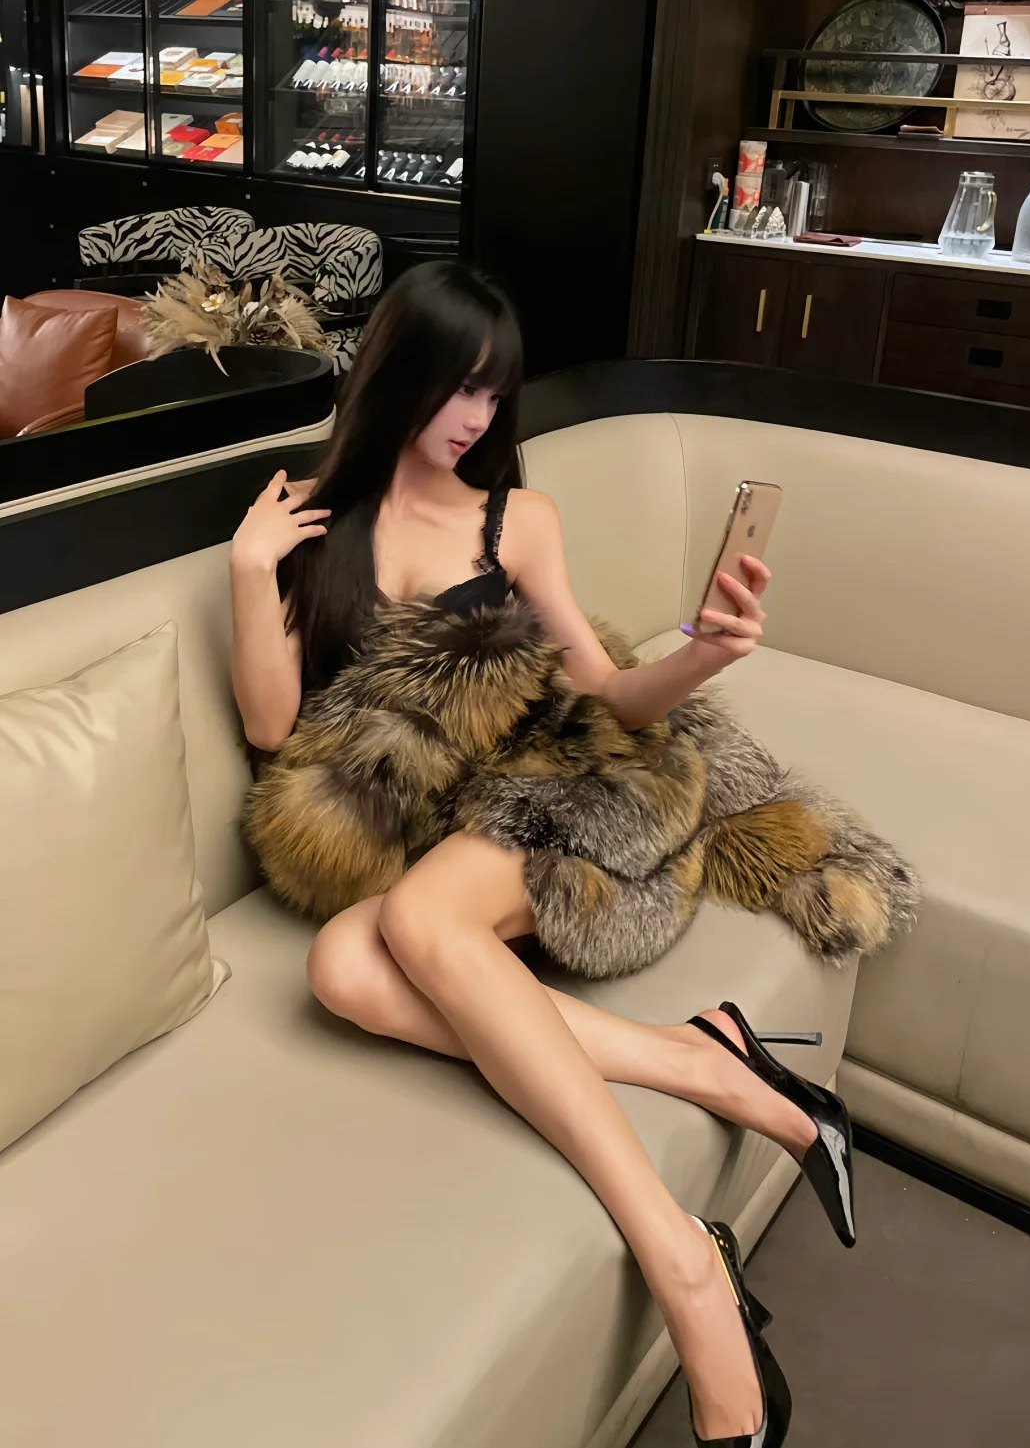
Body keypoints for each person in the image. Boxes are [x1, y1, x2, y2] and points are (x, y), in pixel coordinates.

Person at [229, 259, 851, 1447]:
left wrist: (704, 652)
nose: (474, 417)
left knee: (416, 925)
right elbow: (271, 730)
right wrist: (252, 573)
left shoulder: (517, 520)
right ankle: (715, 1063)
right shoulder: (313, 526)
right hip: (443, 827)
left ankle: (684, 1265)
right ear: (397, 373)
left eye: (492, 393)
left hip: (563, 783)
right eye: (456, 387)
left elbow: (609, 690)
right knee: (342, 968)